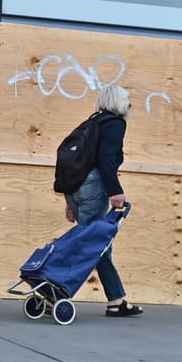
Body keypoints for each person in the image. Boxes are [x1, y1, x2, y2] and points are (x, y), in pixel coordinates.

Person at [63, 84, 143, 317]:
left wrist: (70, 200)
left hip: (75, 188)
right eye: (127, 99)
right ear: (118, 102)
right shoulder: (115, 124)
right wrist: (115, 191)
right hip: (94, 188)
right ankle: (54, 293)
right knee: (94, 243)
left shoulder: (92, 122)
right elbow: (106, 160)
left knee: (95, 242)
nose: (129, 104)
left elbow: (79, 160)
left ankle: (116, 300)